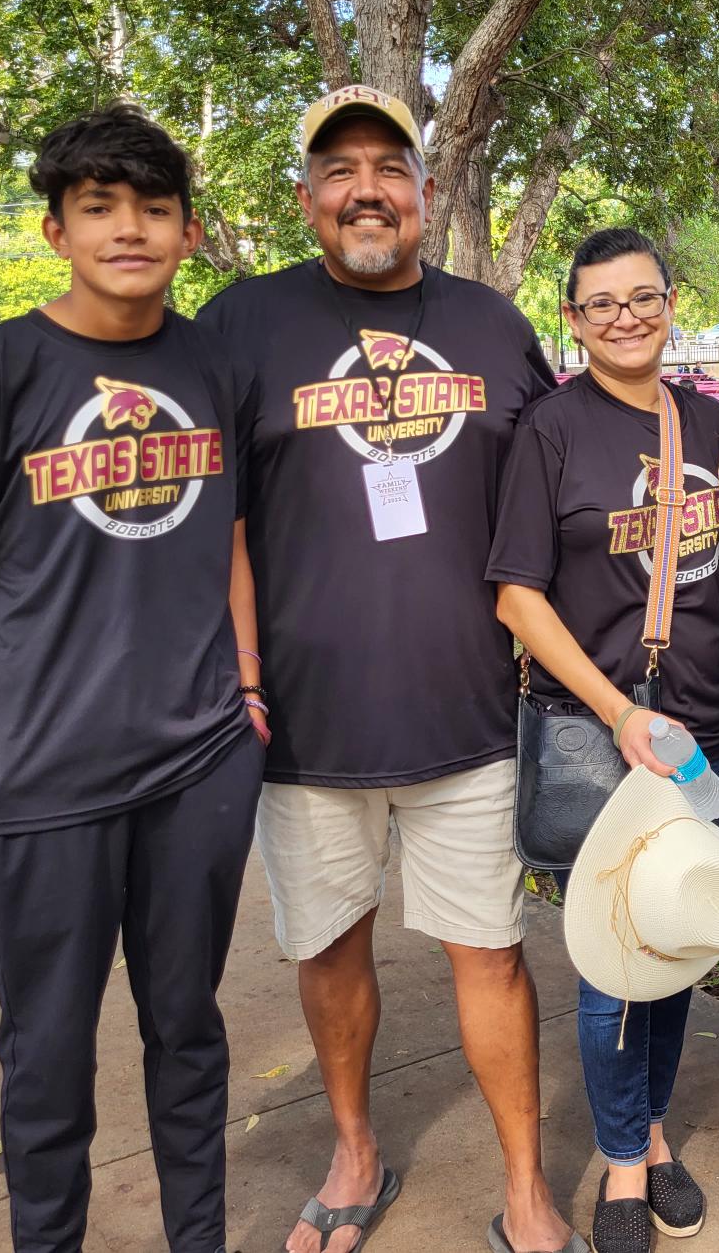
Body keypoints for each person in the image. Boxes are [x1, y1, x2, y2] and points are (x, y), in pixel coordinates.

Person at [196, 86, 578, 1253]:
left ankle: (522, 1183)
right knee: (327, 950)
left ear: (423, 190)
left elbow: (555, 496)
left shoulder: (490, 322)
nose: (367, 188)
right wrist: (243, 674)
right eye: (339, 168)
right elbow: (216, 525)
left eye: (389, 166)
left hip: (467, 710)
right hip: (303, 726)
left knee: (491, 954)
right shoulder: (239, 324)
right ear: (307, 196)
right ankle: (354, 1149)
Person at [0, 105, 265, 1253]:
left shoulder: (211, 362)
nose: (130, 231)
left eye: (153, 209)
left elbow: (228, 538)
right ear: (57, 228)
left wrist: (248, 691)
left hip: (197, 760)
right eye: (101, 209)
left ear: (186, 229)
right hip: (41, 778)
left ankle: (196, 1237)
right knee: (48, 1050)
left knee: (187, 1029)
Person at [488, 227, 719, 1253]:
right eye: (599, 305)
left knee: (677, 943)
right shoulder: (550, 430)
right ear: (572, 319)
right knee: (609, 965)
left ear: (670, 300)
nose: (624, 318)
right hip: (614, 742)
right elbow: (516, 596)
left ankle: (649, 1126)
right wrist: (619, 712)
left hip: (712, 728)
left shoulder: (711, 423)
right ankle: (624, 1158)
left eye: (641, 298)